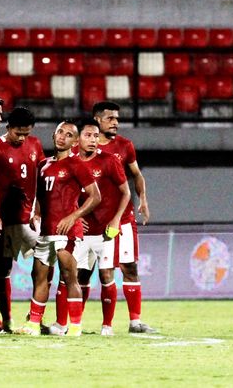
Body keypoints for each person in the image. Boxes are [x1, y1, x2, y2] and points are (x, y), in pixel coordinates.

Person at [16, 121, 100, 337]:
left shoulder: (77, 164)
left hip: (67, 233)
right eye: (60, 132)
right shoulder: (43, 165)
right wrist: (36, 212)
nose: (63, 136)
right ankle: (34, 324)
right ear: (54, 135)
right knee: (40, 276)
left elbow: (95, 196)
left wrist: (74, 217)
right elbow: (42, 197)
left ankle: (75, 326)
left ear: (74, 141)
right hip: (46, 232)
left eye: (69, 134)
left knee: (69, 277)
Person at [52, 118, 131, 336]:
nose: (93, 140)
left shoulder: (110, 161)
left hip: (105, 232)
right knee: (71, 276)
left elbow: (126, 192)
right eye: (88, 135)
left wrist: (116, 219)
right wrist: (74, 216)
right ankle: (62, 323)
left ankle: (107, 326)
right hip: (79, 233)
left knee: (106, 275)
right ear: (77, 140)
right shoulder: (68, 162)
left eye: (96, 136)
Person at [0, 107, 45, 333]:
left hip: (29, 219)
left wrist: (38, 210)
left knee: (46, 258)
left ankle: (36, 315)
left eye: (26, 133)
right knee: (2, 266)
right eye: (18, 133)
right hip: (6, 219)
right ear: (8, 128)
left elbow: (41, 177)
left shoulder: (35, 144)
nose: (22, 137)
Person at [92, 101, 156, 334]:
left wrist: (143, 199)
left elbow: (137, 175)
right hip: (95, 221)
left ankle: (135, 322)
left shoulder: (125, 146)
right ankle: (96, 324)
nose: (116, 123)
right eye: (110, 118)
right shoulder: (85, 146)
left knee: (129, 267)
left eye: (117, 119)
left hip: (124, 218)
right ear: (97, 119)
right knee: (100, 271)